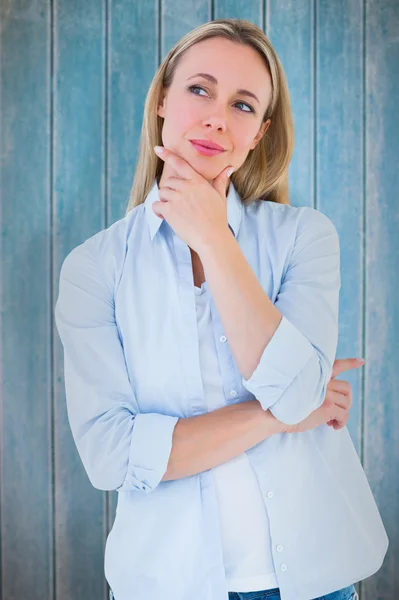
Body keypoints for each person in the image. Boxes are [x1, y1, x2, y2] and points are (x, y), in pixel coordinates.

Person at [54, 18, 388, 600]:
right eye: (199, 89)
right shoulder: (94, 268)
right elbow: (110, 458)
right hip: (163, 585)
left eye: (242, 104)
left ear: (258, 133)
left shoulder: (304, 237)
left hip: (316, 583)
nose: (216, 117)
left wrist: (214, 239)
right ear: (162, 99)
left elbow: (296, 395)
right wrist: (279, 414)